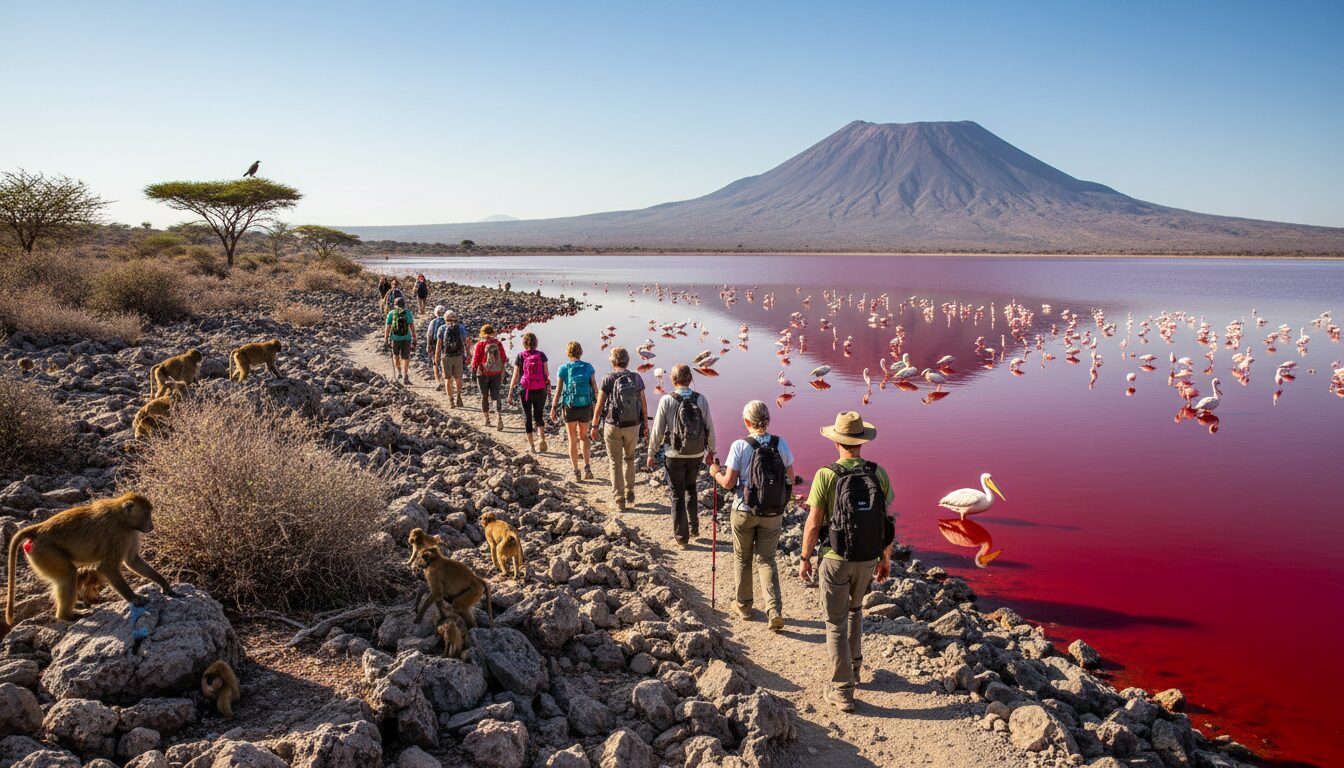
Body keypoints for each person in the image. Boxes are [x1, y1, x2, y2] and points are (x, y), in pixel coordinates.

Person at [798, 411, 897, 713]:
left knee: (834, 622)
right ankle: (855, 668)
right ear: (861, 443)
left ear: (837, 442)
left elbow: (814, 524)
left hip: (835, 558)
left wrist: (804, 558)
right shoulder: (878, 473)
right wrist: (885, 557)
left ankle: (842, 691)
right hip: (867, 557)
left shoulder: (826, 475)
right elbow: (885, 521)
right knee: (855, 611)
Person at [707, 400, 793, 630]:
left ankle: (744, 606)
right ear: (768, 420)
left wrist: (715, 472)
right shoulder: (780, 444)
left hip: (744, 510)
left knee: (743, 559)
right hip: (773, 512)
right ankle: (774, 609)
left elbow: (728, 483)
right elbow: (791, 479)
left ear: (746, 421)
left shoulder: (740, 446)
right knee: (767, 560)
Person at [647, 364, 716, 548]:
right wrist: (711, 451)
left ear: (673, 380)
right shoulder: (701, 399)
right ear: (690, 379)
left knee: (677, 493)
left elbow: (658, 431)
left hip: (674, 453)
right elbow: (709, 427)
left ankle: (681, 537)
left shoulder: (666, 400)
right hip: (696, 453)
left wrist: (651, 452)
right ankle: (694, 528)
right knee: (691, 488)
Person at [590, 347, 647, 511]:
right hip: (633, 425)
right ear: (627, 360)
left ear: (613, 361)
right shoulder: (636, 378)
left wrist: (594, 425)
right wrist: (645, 426)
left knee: (615, 462)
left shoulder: (608, 378)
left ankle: (619, 499)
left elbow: (599, 405)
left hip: (613, 425)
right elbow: (643, 403)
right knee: (630, 458)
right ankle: (630, 490)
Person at [551, 341, 597, 482]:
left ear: (568, 353)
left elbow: (558, 390)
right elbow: (595, 387)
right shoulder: (588, 367)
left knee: (572, 438)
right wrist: (597, 406)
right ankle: (587, 467)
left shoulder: (563, 368)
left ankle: (576, 471)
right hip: (585, 405)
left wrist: (553, 407)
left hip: (569, 406)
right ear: (580, 352)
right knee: (584, 436)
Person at [509, 332, 550, 453]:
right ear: (536, 343)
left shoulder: (521, 356)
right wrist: (547, 388)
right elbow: (546, 374)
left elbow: (515, 375)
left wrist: (510, 391)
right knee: (539, 414)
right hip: (540, 388)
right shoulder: (541, 355)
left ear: (524, 343)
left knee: (527, 416)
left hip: (525, 390)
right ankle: (542, 438)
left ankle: (532, 445)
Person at [471, 324, 507, 430]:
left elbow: (476, 359)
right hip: (496, 373)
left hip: (483, 374)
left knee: (484, 396)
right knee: (496, 397)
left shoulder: (480, 344)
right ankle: (499, 418)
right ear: (492, 333)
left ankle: (487, 420)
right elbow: (504, 358)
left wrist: (473, 370)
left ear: (482, 333)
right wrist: (501, 372)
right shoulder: (498, 343)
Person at [434, 309, 469, 407]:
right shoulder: (460, 328)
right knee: (458, 378)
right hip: (458, 356)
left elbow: (439, 345)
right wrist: (468, 354)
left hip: (446, 357)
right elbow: (466, 341)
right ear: (455, 318)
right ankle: (458, 395)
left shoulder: (441, 328)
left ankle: (451, 400)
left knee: (448, 379)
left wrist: (436, 358)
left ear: (445, 319)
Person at [384, 296, 416, 384]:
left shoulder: (391, 313)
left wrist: (386, 338)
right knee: (406, 357)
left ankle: (399, 372)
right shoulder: (407, 313)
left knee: (396, 355)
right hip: (407, 338)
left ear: (395, 304)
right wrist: (414, 338)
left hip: (395, 338)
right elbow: (411, 326)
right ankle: (406, 375)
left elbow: (388, 327)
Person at [425, 306, 446, 386]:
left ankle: (438, 381)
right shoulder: (446, 322)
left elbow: (429, 334)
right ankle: (446, 380)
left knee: (435, 362)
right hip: (444, 345)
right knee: (444, 362)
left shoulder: (433, 322)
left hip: (434, 344)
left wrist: (428, 345)